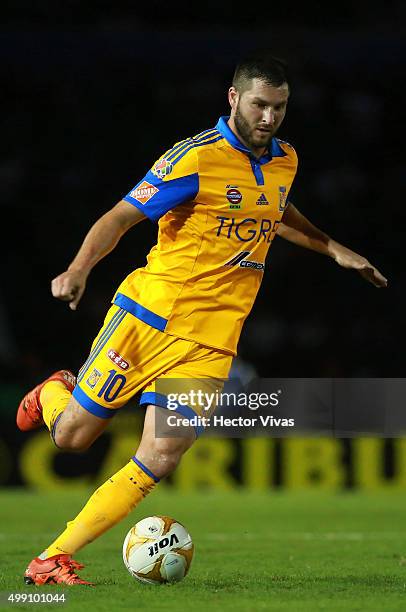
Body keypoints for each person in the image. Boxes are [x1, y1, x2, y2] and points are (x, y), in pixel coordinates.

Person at [17, 53, 387, 586]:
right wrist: (78, 269)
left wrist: (334, 249)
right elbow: (121, 215)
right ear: (234, 98)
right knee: (72, 438)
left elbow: (274, 211)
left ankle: (52, 558)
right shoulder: (193, 159)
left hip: (213, 341)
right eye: (260, 105)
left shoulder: (286, 159)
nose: (269, 118)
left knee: (161, 457)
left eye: (279, 107)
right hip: (151, 319)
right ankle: (54, 392)